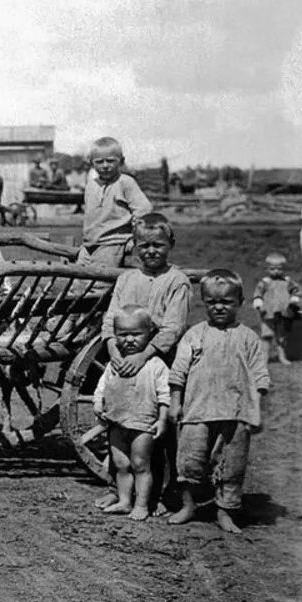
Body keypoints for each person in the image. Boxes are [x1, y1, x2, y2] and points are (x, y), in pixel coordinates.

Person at [92, 213, 192, 511]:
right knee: (120, 424)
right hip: (123, 359)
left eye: (158, 245)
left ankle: (162, 493)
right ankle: (119, 488)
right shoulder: (126, 279)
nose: (150, 251)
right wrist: (111, 348)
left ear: (170, 244)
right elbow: (110, 318)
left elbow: (173, 328)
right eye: (144, 245)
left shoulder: (177, 281)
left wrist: (143, 356)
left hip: (160, 361)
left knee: (159, 428)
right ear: (134, 246)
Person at [167, 270, 270, 533]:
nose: (219, 307)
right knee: (189, 462)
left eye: (226, 301)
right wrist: (176, 402)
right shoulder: (195, 334)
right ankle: (189, 506)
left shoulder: (248, 337)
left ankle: (225, 512)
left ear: (240, 302)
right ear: (204, 302)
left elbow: (260, 378)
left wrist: (255, 412)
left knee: (232, 464)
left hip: (236, 413)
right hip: (197, 411)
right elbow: (178, 372)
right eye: (212, 302)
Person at [93, 306, 170, 520]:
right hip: (117, 422)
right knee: (121, 464)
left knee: (140, 464)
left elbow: (165, 395)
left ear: (149, 334)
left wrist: (162, 419)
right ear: (115, 335)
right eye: (123, 334)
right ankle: (125, 501)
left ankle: (142, 505)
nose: (129, 340)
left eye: (136, 334)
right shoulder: (114, 364)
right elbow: (102, 386)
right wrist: (98, 403)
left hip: (142, 424)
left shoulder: (156, 365)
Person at [78, 137, 152, 267]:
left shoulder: (125, 182)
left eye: (110, 161)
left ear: (121, 161)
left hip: (112, 243)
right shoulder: (91, 185)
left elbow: (144, 210)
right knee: (77, 280)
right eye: (99, 162)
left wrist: (135, 237)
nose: (105, 166)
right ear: (92, 163)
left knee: (98, 283)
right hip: (89, 243)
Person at [251, 252, 302, 364]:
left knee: (281, 337)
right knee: (266, 336)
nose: (276, 271)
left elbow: (296, 290)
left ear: (284, 269)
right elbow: (258, 293)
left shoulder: (287, 281)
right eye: (272, 269)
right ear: (267, 269)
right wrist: (258, 302)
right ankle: (264, 358)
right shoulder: (265, 282)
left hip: (283, 313)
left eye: (279, 269)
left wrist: (294, 299)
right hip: (267, 313)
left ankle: (282, 357)